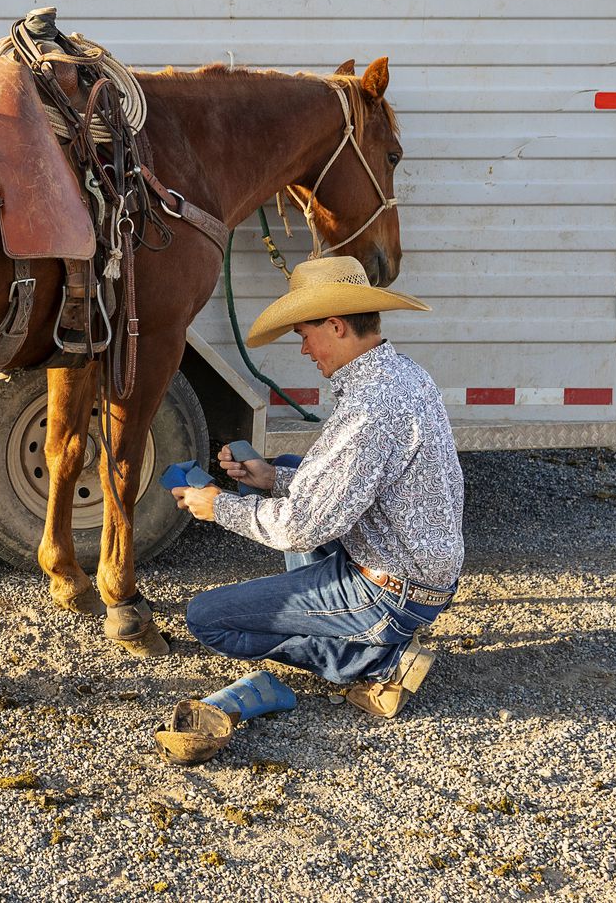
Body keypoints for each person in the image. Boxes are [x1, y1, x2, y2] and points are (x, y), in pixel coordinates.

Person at [168, 256, 463, 718]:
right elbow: (356, 484)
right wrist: (269, 477)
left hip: (392, 590)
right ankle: (363, 633)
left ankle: (380, 660)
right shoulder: (403, 374)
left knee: (206, 619)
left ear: (335, 325)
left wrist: (217, 505)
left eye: (305, 336)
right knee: (289, 469)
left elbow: (301, 528)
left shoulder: (369, 408)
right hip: (420, 568)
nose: (305, 350)